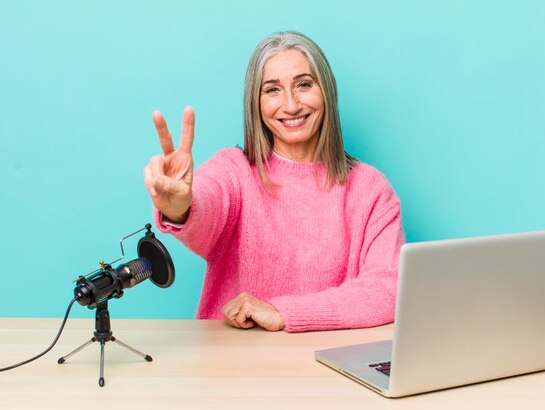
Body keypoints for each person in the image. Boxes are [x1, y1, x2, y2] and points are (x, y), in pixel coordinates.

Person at [143, 31, 405, 332]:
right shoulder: (235, 171)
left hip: (331, 369)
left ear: (326, 91)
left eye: (304, 85)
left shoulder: (370, 190)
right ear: (255, 102)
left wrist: (283, 312)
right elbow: (207, 206)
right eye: (272, 90)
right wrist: (181, 208)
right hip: (233, 367)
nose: (291, 105)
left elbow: (389, 289)